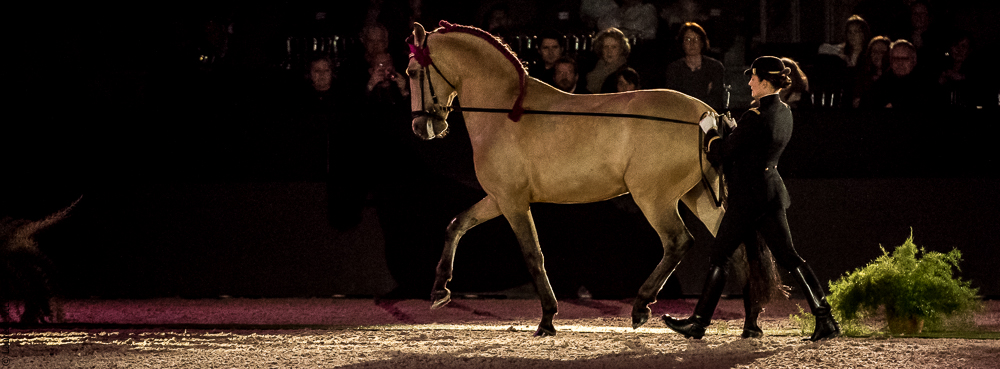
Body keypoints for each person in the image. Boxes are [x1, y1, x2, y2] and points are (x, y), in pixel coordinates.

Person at [661, 56, 841, 342]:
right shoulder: (783, 112)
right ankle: (825, 317)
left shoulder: (754, 116)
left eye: (753, 78)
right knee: (790, 257)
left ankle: (698, 322)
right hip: (770, 193)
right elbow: (755, 146)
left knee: (719, 256)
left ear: (765, 82)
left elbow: (722, 155)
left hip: (747, 198)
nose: (749, 83)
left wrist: (710, 130)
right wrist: (736, 131)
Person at [664, 22, 726, 111]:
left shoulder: (715, 67)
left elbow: (715, 99)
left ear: (702, 42)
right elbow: (674, 98)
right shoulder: (674, 68)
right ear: (682, 43)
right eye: (687, 39)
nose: (692, 43)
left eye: (696, 39)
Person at [860, 39, 932, 109]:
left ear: (914, 60)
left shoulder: (925, 86)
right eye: (896, 59)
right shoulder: (880, 86)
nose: (900, 63)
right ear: (890, 61)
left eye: (905, 59)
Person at [586, 27, 631, 94]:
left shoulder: (626, 73)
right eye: (606, 47)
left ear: (621, 49)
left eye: (614, 47)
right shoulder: (594, 70)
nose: (609, 51)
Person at [851, 36, 891, 108]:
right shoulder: (863, 77)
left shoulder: (892, 77)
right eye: (874, 51)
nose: (877, 55)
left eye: (882, 52)